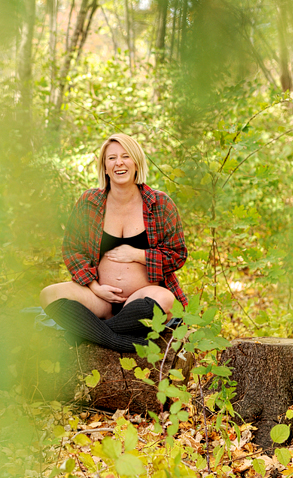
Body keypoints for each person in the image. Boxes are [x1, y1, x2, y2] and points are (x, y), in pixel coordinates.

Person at [39, 133, 187, 352]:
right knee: (48, 294)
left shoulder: (160, 203)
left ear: (136, 163)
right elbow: (72, 249)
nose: (119, 162)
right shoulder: (90, 202)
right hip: (100, 298)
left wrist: (138, 255)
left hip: (142, 297)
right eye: (112, 158)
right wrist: (95, 287)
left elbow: (177, 254)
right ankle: (117, 340)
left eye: (126, 156)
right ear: (105, 167)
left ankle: (95, 332)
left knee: (166, 300)